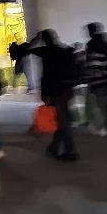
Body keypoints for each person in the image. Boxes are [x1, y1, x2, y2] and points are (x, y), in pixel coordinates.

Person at [36, 30, 79, 161]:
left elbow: (47, 76)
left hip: (56, 91)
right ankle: (54, 147)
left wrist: (36, 39)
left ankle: (70, 151)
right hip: (66, 90)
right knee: (62, 120)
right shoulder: (64, 51)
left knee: (62, 122)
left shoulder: (46, 52)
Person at [84, 23, 107, 135]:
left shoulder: (91, 44)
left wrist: (90, 78)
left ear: (91, 32)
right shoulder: (106, 43)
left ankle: (106, 127)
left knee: (101, 104)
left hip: (97, 79)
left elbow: (90, 63)